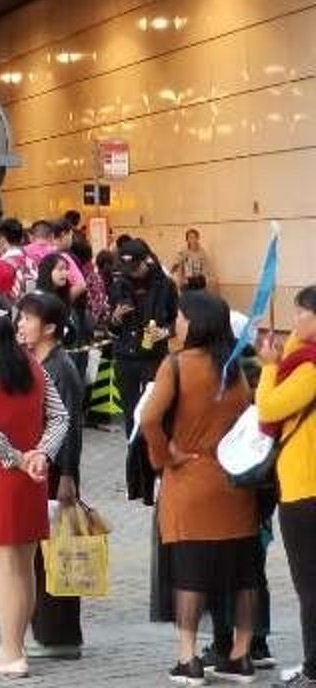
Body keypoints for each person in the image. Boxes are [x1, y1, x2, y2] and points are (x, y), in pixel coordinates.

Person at [142, 292, 261, 684]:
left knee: (190, 574)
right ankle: (241, 656)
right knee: (244, 574)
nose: (175, 323)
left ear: (195, 322)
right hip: (234, 482)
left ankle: (188, 658)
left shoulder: (177, 365)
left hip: (189, 481)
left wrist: (164, 456)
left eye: (180, 317)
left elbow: (150, 418)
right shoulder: (233, 368)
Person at [0, 292, 67, 677]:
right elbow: (60, 416)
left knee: (4, 571)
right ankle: (14, 644)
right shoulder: (34, 366)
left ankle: (12, 652)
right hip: (30, 478)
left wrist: (17, 459)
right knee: (23, 567)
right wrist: (42, 454)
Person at [17, 292, 86, 660]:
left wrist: (69, 474)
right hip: (40, 468)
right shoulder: (36, 362)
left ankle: (59, 636)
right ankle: (45, 631)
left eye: (28, 319)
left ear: (49, 328)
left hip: (57, 470)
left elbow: (70, 426)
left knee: (57, 555)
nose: (21, 325)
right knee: (41, 555)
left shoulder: (61, 367)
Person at [258, 286, 316, 688]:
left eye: (301, 314)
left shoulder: (309, 369)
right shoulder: (304, 358)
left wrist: (268, 367)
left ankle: (313, 668)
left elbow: (269, 408)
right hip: (303, 486)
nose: (293, 322)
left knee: (309, 585)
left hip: (305, 490)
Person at [110, 239, 179, 432]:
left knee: (155, 410)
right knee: (130, 411)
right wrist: (115, 319)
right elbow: (112, 328)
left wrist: (164, 332)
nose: (131, 272)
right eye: (127, 268)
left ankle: (155, 446)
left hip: (154, 357)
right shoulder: (119, 285)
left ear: (147, 260)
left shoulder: (165, 285)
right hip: (126, 356)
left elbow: (177, 321)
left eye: (135, 267)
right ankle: (133, 447)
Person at [171, 229, 214, 294]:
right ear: (187, 239)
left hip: (200, 281)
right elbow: (176, 263)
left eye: (194, 237)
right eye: (190, 237)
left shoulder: (202, 252)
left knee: (200, 298)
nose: (193, 240)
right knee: (188, 299)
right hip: (187, 282)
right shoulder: (183, 251)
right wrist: (172, 273)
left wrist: (208, 279)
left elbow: (206, 267)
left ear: (197, 238)